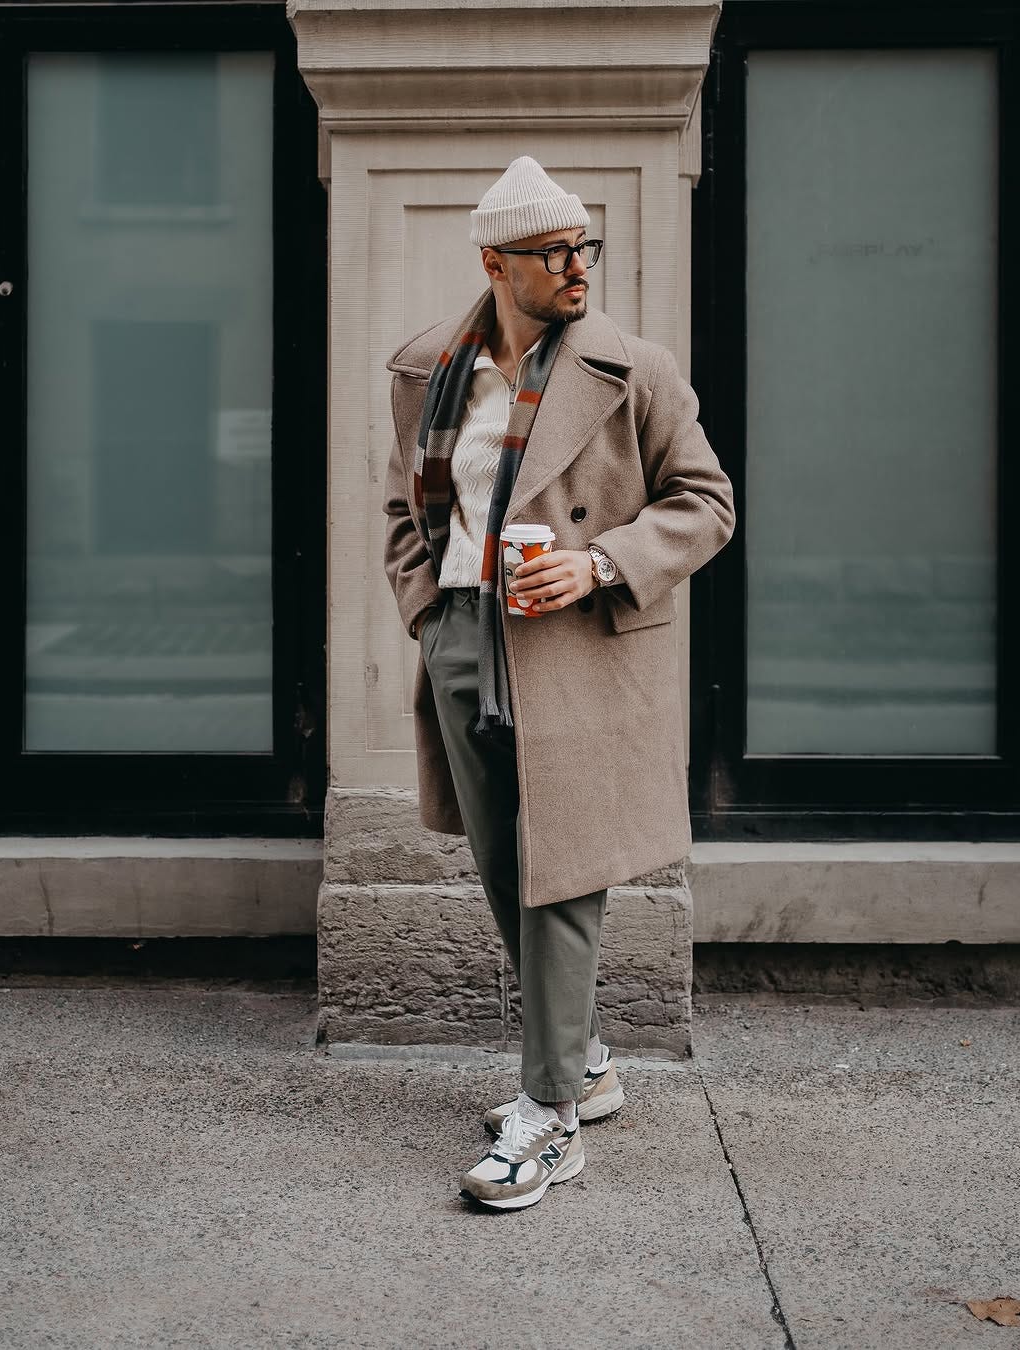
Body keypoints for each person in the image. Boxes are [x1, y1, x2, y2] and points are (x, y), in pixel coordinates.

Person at [382, 156, 735, 1211]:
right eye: (551, 254)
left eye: (583, 247)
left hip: (578, 649)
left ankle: (550, 1121)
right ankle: (579, 1058)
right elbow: (406, 511)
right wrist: (428, 612)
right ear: (496, 263)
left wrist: (600, 563)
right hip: (462, 643)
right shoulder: (426, 371)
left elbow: (707, 503)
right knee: (504, 871)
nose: (576, 267)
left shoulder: (638, 372)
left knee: (561, 881)